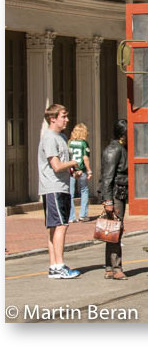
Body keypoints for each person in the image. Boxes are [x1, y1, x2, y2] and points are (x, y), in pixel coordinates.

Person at [38, 103, 81, 279]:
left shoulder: (61, 137)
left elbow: (63, 162)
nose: (67, 120)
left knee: (55, 227)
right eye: (63, 116)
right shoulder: (49, 138)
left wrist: (73, 171)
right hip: (53, 187)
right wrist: (73, 163)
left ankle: (54, 265)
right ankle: (59, 265)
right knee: (61, 225)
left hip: (62, 187)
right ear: (52, 118)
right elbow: (56, 166)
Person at [100, 119, 129, 280]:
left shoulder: (120, 148)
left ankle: (110, 267)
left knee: (112, 231)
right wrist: (108, 200)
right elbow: (107, 178)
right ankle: (116, 267)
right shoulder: (114, 150)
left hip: (120, 193)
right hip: (116, 194)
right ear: (123, 135)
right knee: (115, 231)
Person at [68, 123, 93, 223]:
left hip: (71, 169)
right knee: (84, 190)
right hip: (81, 169)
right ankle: (83, 214)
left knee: (70, 193)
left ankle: (71, 216)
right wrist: (89, 170)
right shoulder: (84, 143)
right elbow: (85, 157)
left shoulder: (70, 142)